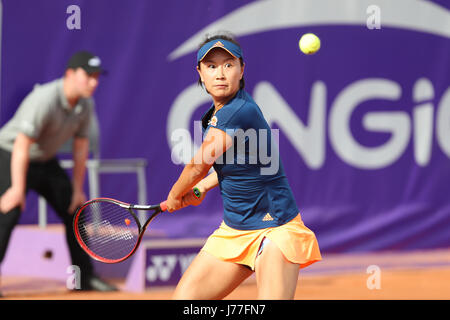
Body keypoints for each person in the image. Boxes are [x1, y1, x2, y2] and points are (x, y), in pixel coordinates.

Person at [166, 34, 322, 299]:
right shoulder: (218, 114)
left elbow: (197, 166)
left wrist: (173, 196)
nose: (220, 74)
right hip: (235, 230)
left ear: (241, 70)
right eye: (211, 66)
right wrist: (201, 189)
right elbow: (239, 164)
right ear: (200, 74)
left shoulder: (236, 111)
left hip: (275, 230)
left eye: (228, 65)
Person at [0, 51, 117, 293]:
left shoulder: (86, 104)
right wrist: (17, 189)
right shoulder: (44, 99)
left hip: (44, 160)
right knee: (8, 211)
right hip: (10, 154)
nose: (93, 82)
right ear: (70, 75)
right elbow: (22, 145)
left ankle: (84, 278)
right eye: (88, 76)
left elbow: (81, 146)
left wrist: (76, 190)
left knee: (75, 211)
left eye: (97, 77)